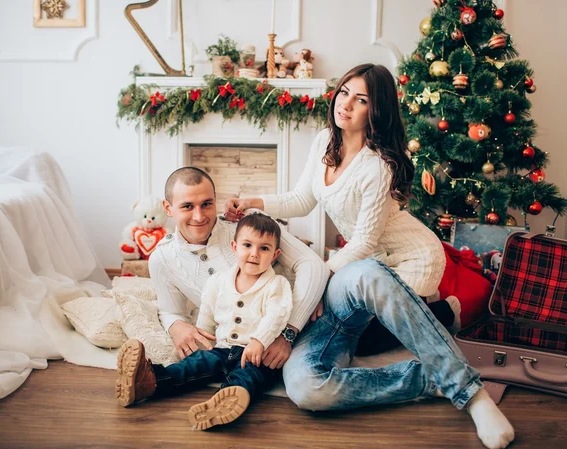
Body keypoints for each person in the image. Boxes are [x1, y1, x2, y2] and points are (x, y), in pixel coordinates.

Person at [224, 64, 514, 449]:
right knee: (307, 389)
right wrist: (253, 202)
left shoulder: (379, 165)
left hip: (410, 258)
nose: (346, 104)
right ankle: (426, 378)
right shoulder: (324, 140)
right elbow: (301, 200)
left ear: (375, 111)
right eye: (344, 92)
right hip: (368, 261)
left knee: (365, 277)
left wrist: (316, 286)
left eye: (361, 100)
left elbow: (360, 244)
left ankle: (470, 393)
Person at [115, 213, 293, 430]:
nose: (254, 254)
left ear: (275, 255)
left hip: (256, 355)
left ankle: (221, 405)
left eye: (264, 249)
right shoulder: (218, 281)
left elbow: (276, 316)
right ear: (234, 246)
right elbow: (207, 314)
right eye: (248, 245)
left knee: (246, 377)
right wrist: (201, 340)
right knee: (195, 364)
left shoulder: (276, 284)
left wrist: (259, 341)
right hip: (222, 348)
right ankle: (149, 381)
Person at [138, 167, 327, 365]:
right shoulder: (161, 258)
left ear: (215, 200)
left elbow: (314, 266)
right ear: (168, 208)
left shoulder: (246, 223)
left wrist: (288, 334)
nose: (199, 216)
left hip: (309, 320)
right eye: (187, 206)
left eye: (206, 204)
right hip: (240, 350)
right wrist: (176, 326)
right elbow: (169, 310)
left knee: (304, 384)